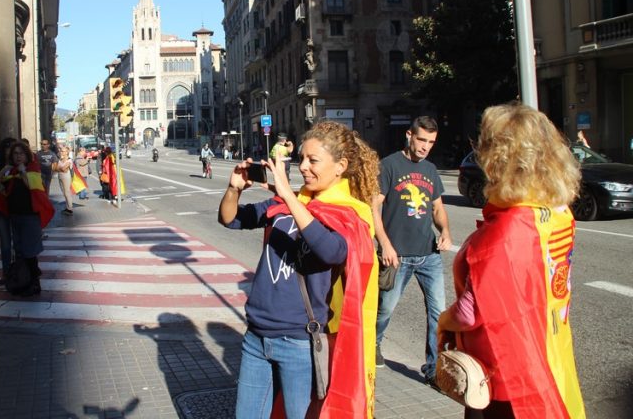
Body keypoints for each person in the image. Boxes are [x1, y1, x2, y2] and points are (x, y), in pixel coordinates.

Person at [219, 120, 380, 418]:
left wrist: (290, 197)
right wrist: (233, 189)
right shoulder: (285, 204)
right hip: (256, 336)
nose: (304, 166)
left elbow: (331, 251)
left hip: (299, 342)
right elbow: (231, 219)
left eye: (313, 160)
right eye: (302, 158)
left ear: (341, 166)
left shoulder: (348, 213)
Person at [438, 103, 585, 418]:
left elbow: (470, 312)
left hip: (505, 368)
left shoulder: (506, 230)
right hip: (549, 350)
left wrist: (443, 321)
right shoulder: (556, 212)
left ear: (499, 157)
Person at [372, 115, 451, 388]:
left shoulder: (430, 169)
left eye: (431, 142)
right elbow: (374, 207)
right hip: (397, 256)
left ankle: (434, 370)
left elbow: (437, 208)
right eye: (421, 140)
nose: (425, 146)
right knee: (385, 309)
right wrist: (385, 243)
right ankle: (373, 343)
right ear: (409, 135)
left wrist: (445, 231)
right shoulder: (389, 165)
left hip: (428, 254)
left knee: (439, 313)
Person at [0, 141, 54, 296]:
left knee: (30, 251)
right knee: (20, 251)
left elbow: (32, 187)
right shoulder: (10, 171)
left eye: (21, 153)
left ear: (27, 155)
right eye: (15, 154)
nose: (18, 156)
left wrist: (22, 172)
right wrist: (2, 173)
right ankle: (24, 281)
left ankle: (35, 283)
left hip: (30, 216)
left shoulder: (32, 170)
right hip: (15, 215)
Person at [0, 137, 17, 286]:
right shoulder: (0, 166)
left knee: (18, 243)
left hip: (17, 208)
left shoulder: (20, 165)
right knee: (5, 243)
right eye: (7, 148)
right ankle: (6, 274)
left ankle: (20, 274)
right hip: (1, 208)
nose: (10, 152)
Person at [55, 144, 74, 215]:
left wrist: (59, 168)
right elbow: (55, 168)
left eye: (63, 151)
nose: (61, 152)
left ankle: (70, 209)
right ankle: (67, 207)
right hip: (60, 176)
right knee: (64, 193)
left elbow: (63, 169)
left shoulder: (69, 160)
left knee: (67, 192)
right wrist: (60, 169)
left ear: (67, 152)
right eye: (61, 151)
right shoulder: (60, 159)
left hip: (66, 177)